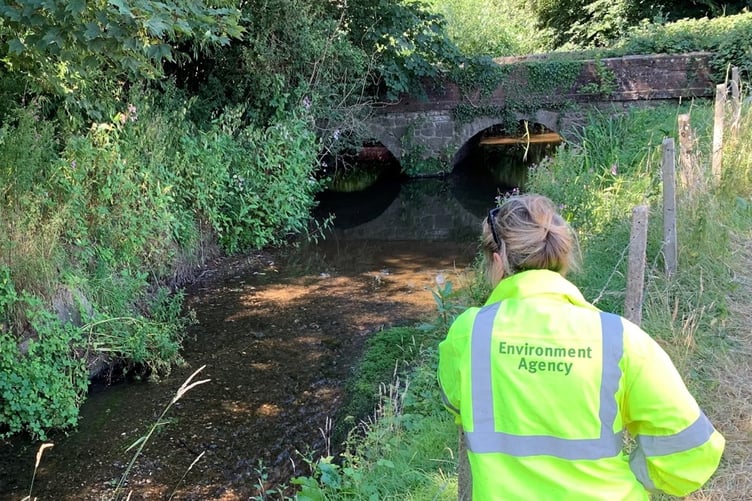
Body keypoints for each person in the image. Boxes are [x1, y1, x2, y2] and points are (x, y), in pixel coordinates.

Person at [437, 194, 725, 500]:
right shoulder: (619, 338)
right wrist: (635, 482)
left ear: (497, 262)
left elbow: (456, 402)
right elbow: (693, 449)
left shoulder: (469, 334)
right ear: (562, 258)